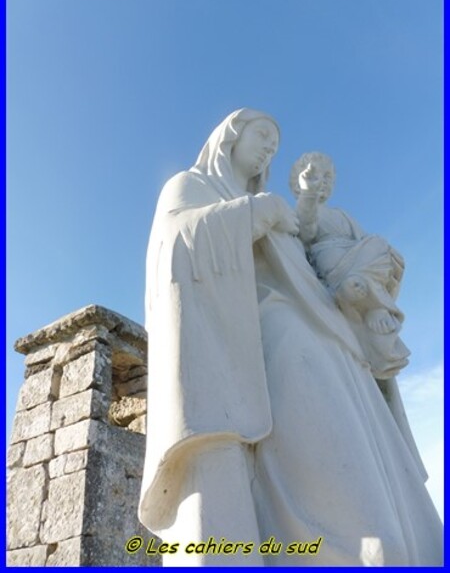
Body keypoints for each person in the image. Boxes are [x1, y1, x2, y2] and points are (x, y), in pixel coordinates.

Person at [138, 109, 442, 566]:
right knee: (332, 479)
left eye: (275, 147)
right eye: (262, 136)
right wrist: (255, 213)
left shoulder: (281, 215)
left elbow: (319, 275)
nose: (268, 150)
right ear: (230, 137)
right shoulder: (190, 185)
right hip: (272, 336)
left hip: (327, 337)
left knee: (367, 472)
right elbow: (175, 245)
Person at [290, 151, 410, 380]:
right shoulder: (306, 207)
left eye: (327, 178)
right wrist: (309, 193)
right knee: (374, 248)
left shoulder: (342, 215)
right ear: (299, 181)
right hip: (331, 260)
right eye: (316, 176)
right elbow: (305, 232)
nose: (322, 182)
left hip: (359, 262)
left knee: (378, 243)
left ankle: (365, 299)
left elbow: (365, 241)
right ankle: (366, 302)